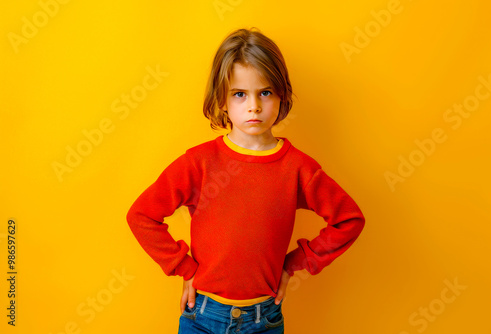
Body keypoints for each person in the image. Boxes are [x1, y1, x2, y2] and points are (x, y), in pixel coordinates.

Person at [126, 27, 365, 334]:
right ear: (222, 100)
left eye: (264, 92)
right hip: (203, 315)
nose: (254, 106)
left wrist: (293, 264)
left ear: (281, 95)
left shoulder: (298, 168)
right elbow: (142, 215)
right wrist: (183, 267)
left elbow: (349, 219)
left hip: (264, 318)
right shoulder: (199, 162)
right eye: (240, 94)